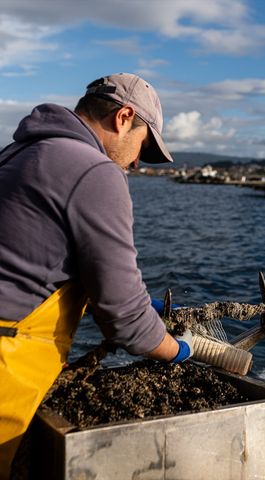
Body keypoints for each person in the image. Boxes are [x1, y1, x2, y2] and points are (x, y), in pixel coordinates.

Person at [0, 73, 193, 477]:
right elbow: (125, 322)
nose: (138, 162)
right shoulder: (95, 172)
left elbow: (31, 268)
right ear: (124, 117)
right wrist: (181, 350)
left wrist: (145, 305)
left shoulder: (18, 153)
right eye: (143, 145)